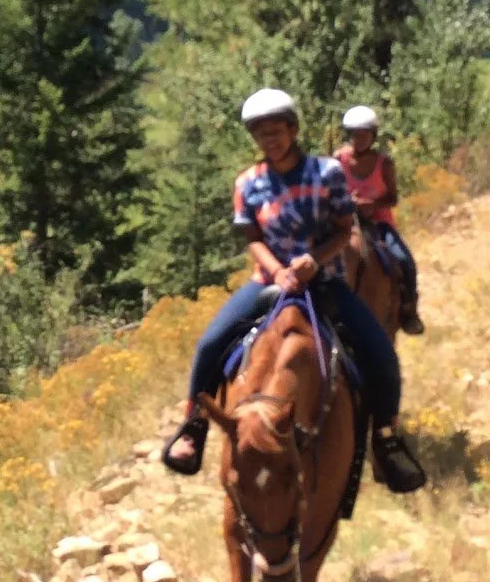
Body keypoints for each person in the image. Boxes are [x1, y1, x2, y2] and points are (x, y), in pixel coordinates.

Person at [160, 88, 426, 493]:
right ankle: (194, 425)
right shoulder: (247, 183)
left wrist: (314, 261)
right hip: (268, 282)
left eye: (277, 130)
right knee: (209, 344)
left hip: (326, 281)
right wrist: (277, 270)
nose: (270, 139)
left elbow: (345, 229)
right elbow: (252, 237)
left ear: (293, 129)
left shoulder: (327, 173)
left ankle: (386, 440)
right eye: (261, 133)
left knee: (380, 353)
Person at [334, 106, 422, 335]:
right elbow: (328, 191)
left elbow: (393, 197)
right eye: (354, 134)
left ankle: (408, 311)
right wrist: (347, 201)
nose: (359, 139)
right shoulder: (338, 160)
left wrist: (371, 204)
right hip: (346, 222)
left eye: (364, 134)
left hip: (378, 223)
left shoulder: (384, 164)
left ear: (373, 136)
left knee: (404, 259)